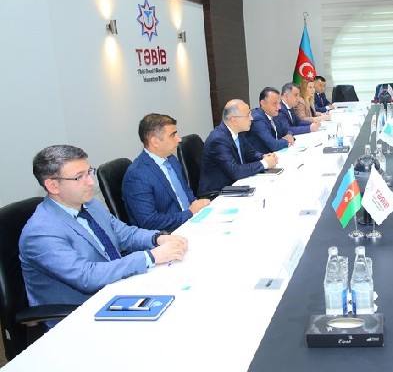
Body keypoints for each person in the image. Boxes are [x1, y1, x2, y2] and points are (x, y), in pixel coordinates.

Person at [20, 145, 188, 326]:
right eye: (79, 177)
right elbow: (86, 276)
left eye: (89, 172)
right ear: (53, 186)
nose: (91, 182)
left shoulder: (89, 204)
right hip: (81, 314)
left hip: (116, 289)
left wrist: (158, 238)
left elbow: (124, 234)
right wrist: (151, 256)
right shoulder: (41, 231)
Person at [122, 113, 210, 232]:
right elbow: (149, 222)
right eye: (173, 135)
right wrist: (190, 213)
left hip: (192, 221)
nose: (179, 139)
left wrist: (198, 205)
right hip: (170, 234)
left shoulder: (171, 159)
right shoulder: (137, 175)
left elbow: (186, 191)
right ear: (155, 142)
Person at [198, 99, 278, 196]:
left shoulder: (238, 132)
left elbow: (251, 153)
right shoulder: (218, 139)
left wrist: (264, 156)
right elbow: (235, 171)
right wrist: (264, 163)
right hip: (218, 194)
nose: (252, 118)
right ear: (234, 120)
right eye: (248, 115)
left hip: (236, 185)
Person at [246, 87, 295, 153]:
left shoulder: (275, 114)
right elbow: (273, 145)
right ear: (263, 103)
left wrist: (289, 135)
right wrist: (286, 140)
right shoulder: (257, 119)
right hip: (264, 156)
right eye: (275, 103)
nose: (279, 107)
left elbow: (287, 130)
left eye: (279, 103)